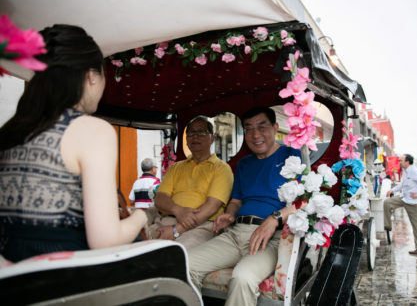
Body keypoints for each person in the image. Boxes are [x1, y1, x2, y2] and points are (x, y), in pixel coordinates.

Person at [0, 24, 147, 262]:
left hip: (10, 270)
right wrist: (141, 217)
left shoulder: (10, 131)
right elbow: (105, 240)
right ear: (91, 76)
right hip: (65, 275)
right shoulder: (92, 130)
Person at [188, 107, 300, 306]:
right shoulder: (244, 164)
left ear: (275, 128)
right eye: (248, 129)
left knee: (243, 277)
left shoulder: (292, 156)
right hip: (235, 233)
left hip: (271, 238)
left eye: (262, 127)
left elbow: (305, 201)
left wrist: (274, 219)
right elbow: (236, 201)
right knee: (184, 266)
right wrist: (229, 215)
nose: (255, 135)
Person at [149, 115, 233, 250]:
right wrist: (178, 210)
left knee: (176, 253)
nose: (195, 136)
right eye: (191, 133)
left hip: (202, 226)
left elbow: (212, 206)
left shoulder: (222, 168)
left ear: (211, 139)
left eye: (201, 132)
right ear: (186, 140)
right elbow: (160, 198)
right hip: (168, 219)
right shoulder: (176, 167)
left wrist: (177, 229)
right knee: (136, 246)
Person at [384, 154, 417, 256]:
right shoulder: (406, 171)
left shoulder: (414, 171)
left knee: (416, 226)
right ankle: (387, 226)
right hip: (404, 198)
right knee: (387, 202)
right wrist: (392, 190)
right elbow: (402, 184)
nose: (399, 162)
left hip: (414, 203)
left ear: (407, 162)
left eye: (401, 160)